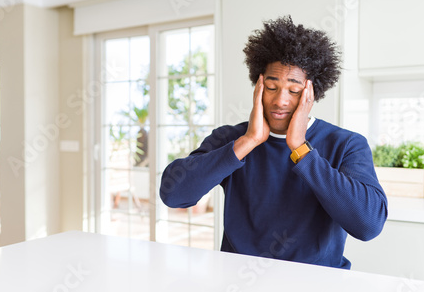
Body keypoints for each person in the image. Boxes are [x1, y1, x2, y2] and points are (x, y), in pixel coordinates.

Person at [159, 15, 387, 269]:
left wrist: (301, 149)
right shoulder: (230, 139)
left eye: (294, 90)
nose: (280, 101)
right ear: (258, 86)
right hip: (240, 279)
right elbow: (173, 194)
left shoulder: (345, 144)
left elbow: (368, 225)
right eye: (271, 86)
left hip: (316, 282)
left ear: (312, 93)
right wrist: (249, 141)